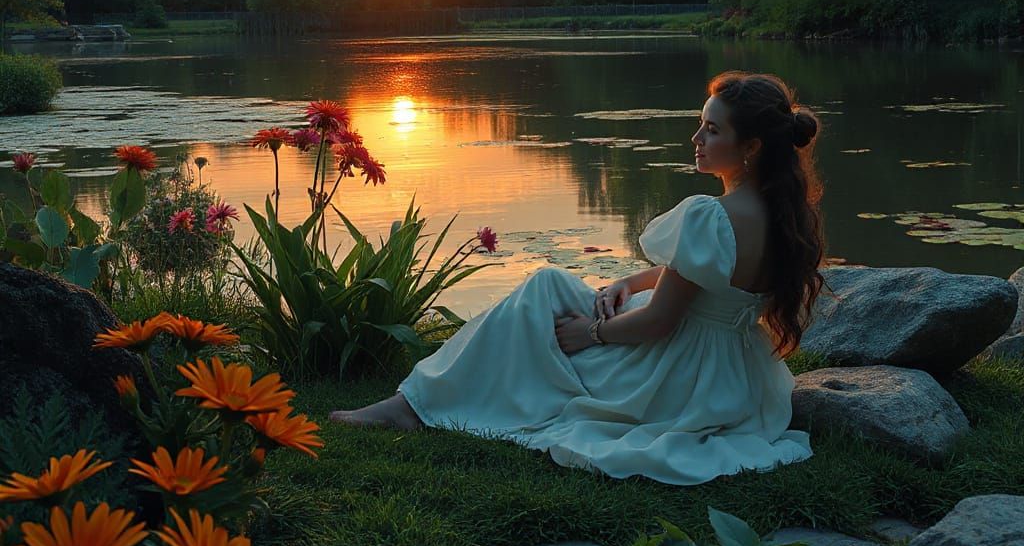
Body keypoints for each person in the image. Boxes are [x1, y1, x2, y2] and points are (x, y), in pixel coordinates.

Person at [330, 71, 827, 486]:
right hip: (734, 377)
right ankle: (419, 400)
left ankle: (411, 405)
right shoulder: (785, 213)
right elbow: (707, 276)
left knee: (543, 296)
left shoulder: (709, 214)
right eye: (700, 125)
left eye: (712, 131)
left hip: (676, 375)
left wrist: (591, 334)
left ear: (752, 146)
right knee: (552, 288)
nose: (696, 140)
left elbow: (659, 323)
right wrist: (628, 283)